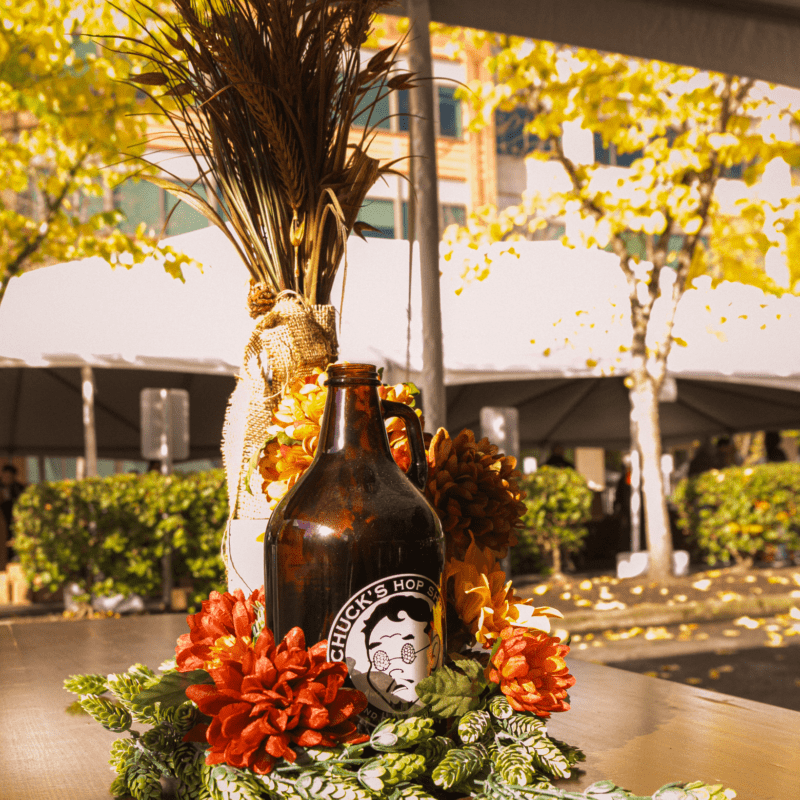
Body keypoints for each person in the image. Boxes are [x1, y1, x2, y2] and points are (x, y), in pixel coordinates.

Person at [1, 464, 26, 562]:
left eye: (10, 477)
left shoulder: (18, 488)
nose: (7, 479)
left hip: (13, 519)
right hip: (1, 518)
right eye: (6, 476)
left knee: (12, 542)